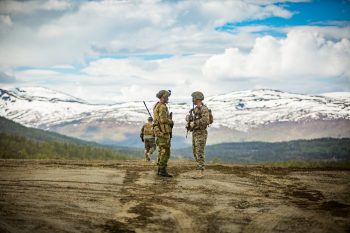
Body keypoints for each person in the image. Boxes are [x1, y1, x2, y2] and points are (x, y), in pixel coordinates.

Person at [187, 91, 210, 179]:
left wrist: (195, 122)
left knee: (199, 152)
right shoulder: (195, 109)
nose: (192, 100)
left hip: (201, 132)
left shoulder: (204, 109)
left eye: (193, 98)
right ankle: (199, 170)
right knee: (195, 152)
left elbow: (206, 120)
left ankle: (200, 172)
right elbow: (193, 120)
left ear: (197, 98)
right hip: (195, 132)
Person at [153, 90, 174, 177]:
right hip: (163, 132)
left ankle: (160, 169)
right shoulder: (162, 107)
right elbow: (163, 119)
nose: (168, 98)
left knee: (161, 150)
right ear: (163, 97)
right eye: (167, 97)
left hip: (159, 131)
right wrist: (171, 121)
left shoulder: (156, 105)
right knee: (165, 151)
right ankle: (162, 170)